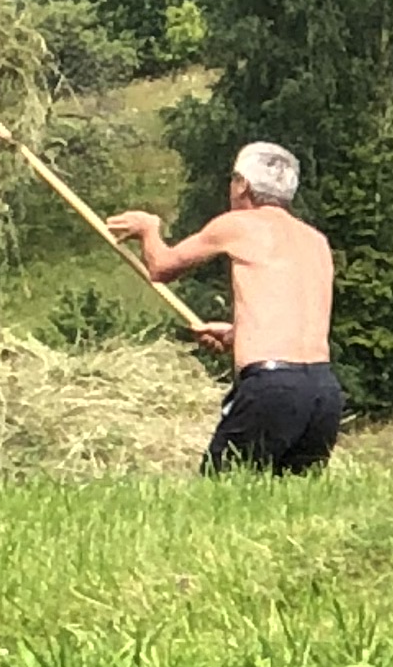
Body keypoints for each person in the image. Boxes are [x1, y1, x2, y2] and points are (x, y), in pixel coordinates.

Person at [105, 141, 343, 476]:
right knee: (291, 507)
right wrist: (235, 334)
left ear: (243, 184)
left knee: (220, 495)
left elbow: (161, 267)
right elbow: (298, 315)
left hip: (272, 387)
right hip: (323, 391)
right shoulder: (315, 241)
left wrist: (148, 229)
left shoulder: (237, 224)